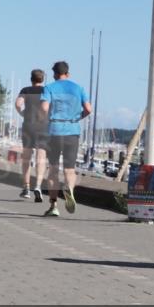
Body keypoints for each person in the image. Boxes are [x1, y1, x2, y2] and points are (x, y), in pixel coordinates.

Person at [41, 61, 91, 217]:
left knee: (53, 169)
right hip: (72, 131)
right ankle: (69, 189)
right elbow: (88, 109)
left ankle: (54, 205)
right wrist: (77, 117)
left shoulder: (49, 88)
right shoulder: (79, 88)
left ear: (55, 74)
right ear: (68, 73)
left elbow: (44, 108)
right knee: (69, 168)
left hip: (54, 130)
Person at [15, 69, 48, 201]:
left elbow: (18, 104)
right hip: (43, 126)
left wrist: (22, 113)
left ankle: (26, 187)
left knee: (27, 157)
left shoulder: (26, 90)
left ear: (31, 79)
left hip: (28, 125)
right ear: (43, 79)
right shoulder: (47, 90)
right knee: (41, 156)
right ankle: (38, 185)